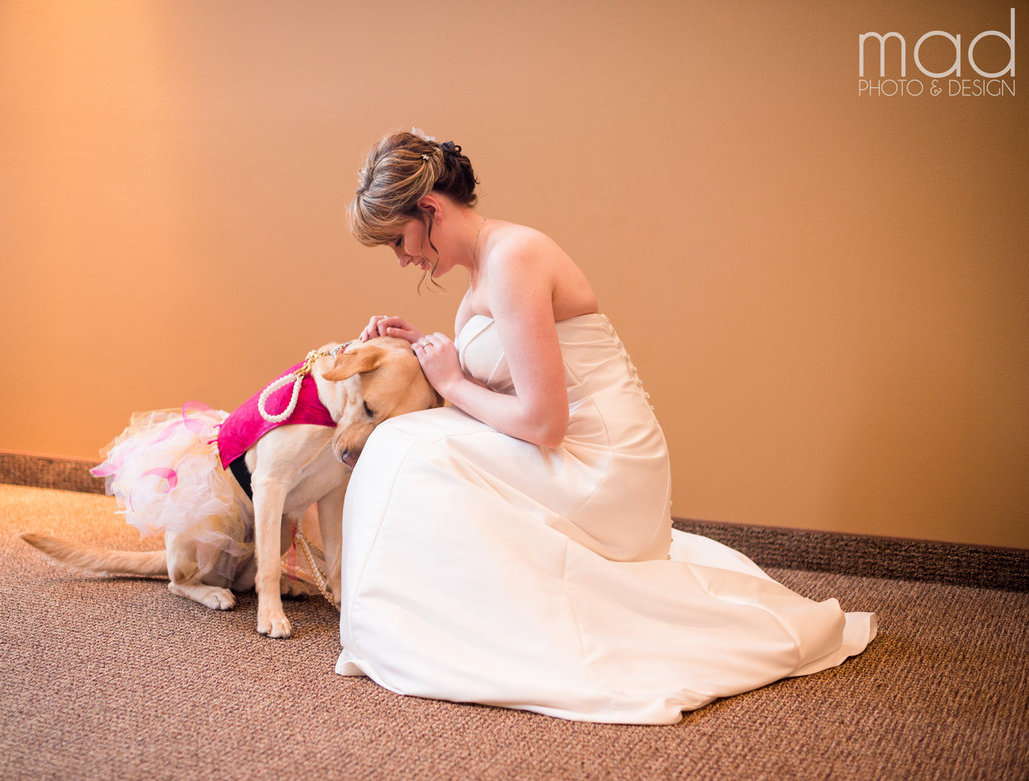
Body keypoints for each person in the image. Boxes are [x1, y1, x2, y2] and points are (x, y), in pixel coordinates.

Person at [334, 129, 875, 725]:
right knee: (406, 445)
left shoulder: (515, 258)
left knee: (408, 451)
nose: (403, 258)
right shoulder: (482, 276)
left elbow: (543, 422)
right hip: (569, 447)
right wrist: (421, 353)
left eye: (399, 240)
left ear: (430, 210)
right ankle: (434, 623)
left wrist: (454, 383)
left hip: (605, 464)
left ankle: (433, 629)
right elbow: (496, 393)